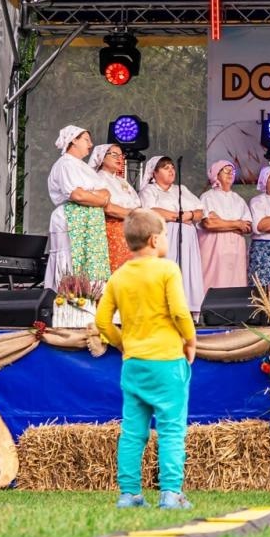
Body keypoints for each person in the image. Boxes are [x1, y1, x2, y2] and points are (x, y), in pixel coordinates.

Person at [96, 208, 196, 511]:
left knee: (132, 431)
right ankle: (170, 493)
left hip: (134, 363)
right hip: (168, 362)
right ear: (154, 240)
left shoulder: (118, 276)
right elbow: (179, 312)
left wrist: (124, 343)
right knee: (171, 429)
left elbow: (101, 322)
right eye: (164, 234)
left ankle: (129, 494)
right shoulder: (168, 270)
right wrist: (190, 340)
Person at [45, 125, 111, 288]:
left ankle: (90, 299)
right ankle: (69, 302)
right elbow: (77, 195)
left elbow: (106, 193)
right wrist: (99, 199)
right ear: (73, 140)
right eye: (86, 140)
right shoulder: (66, 164)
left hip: (90, 220)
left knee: (91, 266)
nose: (90, 144)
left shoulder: (83, 167)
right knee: (70, 261)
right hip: (71, 217)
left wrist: (96, 196)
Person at [139, 155, 206, 315]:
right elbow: (152, 211)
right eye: (165, 168)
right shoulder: (149, 191)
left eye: (172, 167)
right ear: (154, 173)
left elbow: (200, 211)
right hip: (165, 236)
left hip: (187, 238)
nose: (171, 171)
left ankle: (189, 310)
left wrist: (188, 214)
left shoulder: (181, 189)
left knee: (187, 271)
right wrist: (178, 216)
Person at [197, 160, 250, 291]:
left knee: (235, 285)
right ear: (216, 175)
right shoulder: (207, 197)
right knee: (212, 282)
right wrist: (237, 224)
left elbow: (248, 226)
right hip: (213, 249)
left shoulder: (238, 199)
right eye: (226, 170)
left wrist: (221, 222)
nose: (230, 173)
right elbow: (209, 223)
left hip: (236, 251)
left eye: (232, 171)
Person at [90, 142, 142, 272]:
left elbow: (137, 204)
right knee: (117, 271)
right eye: (114, 155)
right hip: (112, 232)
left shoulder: (122, 181)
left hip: (130, 233)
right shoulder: (97, 179)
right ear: (102, 157)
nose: (120, 158)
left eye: (121, 155)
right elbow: (107, 207)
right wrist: (133, 214)